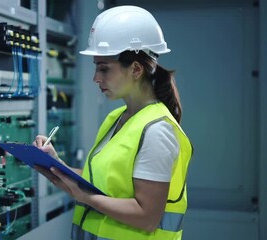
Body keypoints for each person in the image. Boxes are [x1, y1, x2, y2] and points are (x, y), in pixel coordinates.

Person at [33, 5, 193, 240]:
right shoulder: (116, 118)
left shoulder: (157, 130)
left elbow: (147, 216)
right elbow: (100, 182)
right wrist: (57, 165)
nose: (96, 78)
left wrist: (83, 196)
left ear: (136, 69)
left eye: (104, 69)